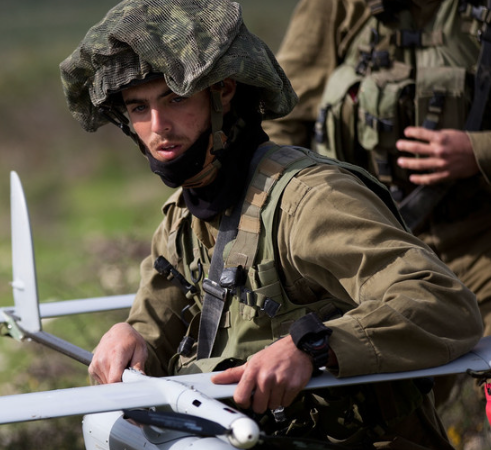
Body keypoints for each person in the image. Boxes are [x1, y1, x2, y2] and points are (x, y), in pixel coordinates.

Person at [59, 0, 483, 447]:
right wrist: (130, 339)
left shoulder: (310, 200)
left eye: (175, 99)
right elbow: (155, 328)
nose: (157, 127)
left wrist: (316, 348)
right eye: (138, 109)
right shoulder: (184, 215)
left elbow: (443, 304)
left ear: (223, 93)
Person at [262, 0, 491, 441]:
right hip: (369, 252)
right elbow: (282, 120)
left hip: (481, 241)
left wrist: (478, 151)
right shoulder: (337, 8)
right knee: (372, 411)